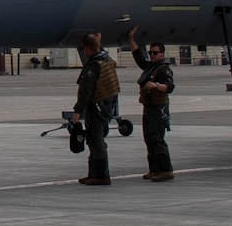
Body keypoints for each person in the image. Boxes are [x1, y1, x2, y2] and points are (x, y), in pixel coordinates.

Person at [124, 27, 176, 181]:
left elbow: (170, 86)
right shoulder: (150, 67)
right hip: (148, 107)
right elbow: (139, 58)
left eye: (155, 53)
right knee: (148, 138)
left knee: (157, 139)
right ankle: (154, 169)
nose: (152, 55)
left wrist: (156, 86)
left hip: (158, 108)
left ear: (162, 54)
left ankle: (165, 170)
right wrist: (131, 38)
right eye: (151, 52)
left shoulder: (163, 69)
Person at [73, 31, 120, 186]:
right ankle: (94, 173)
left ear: (87, 49)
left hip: (96, 106)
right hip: (106, 106)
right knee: (95, 139)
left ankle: (101, 175)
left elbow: (86, 91)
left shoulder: (94, 66)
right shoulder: (107, 60)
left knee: (95, 140)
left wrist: (78, 111)